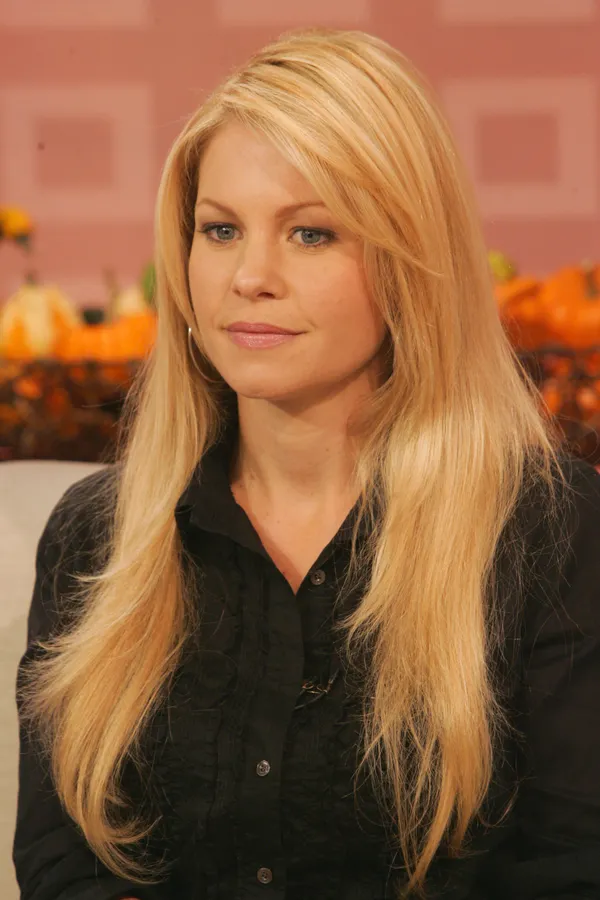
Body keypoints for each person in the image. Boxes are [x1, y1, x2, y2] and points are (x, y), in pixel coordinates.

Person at [12, 25, 600, 900]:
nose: (250, 276)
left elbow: (574, 869)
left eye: (311, 234)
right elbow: (61, 864)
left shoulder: (550, 532)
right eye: (220, 229)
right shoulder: (96, 536)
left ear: (410, 263)